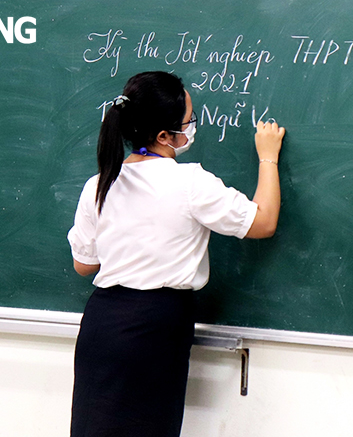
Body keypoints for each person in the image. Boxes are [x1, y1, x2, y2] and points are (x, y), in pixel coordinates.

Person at [67, 71, 285, 437]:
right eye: (189, 120)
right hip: (155, 326)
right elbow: (262, 223)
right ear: (164, 136)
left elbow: (84, 265)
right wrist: (268, 157)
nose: (193, 126)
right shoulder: (190, 182)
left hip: (102, 325)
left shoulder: (100, 183)